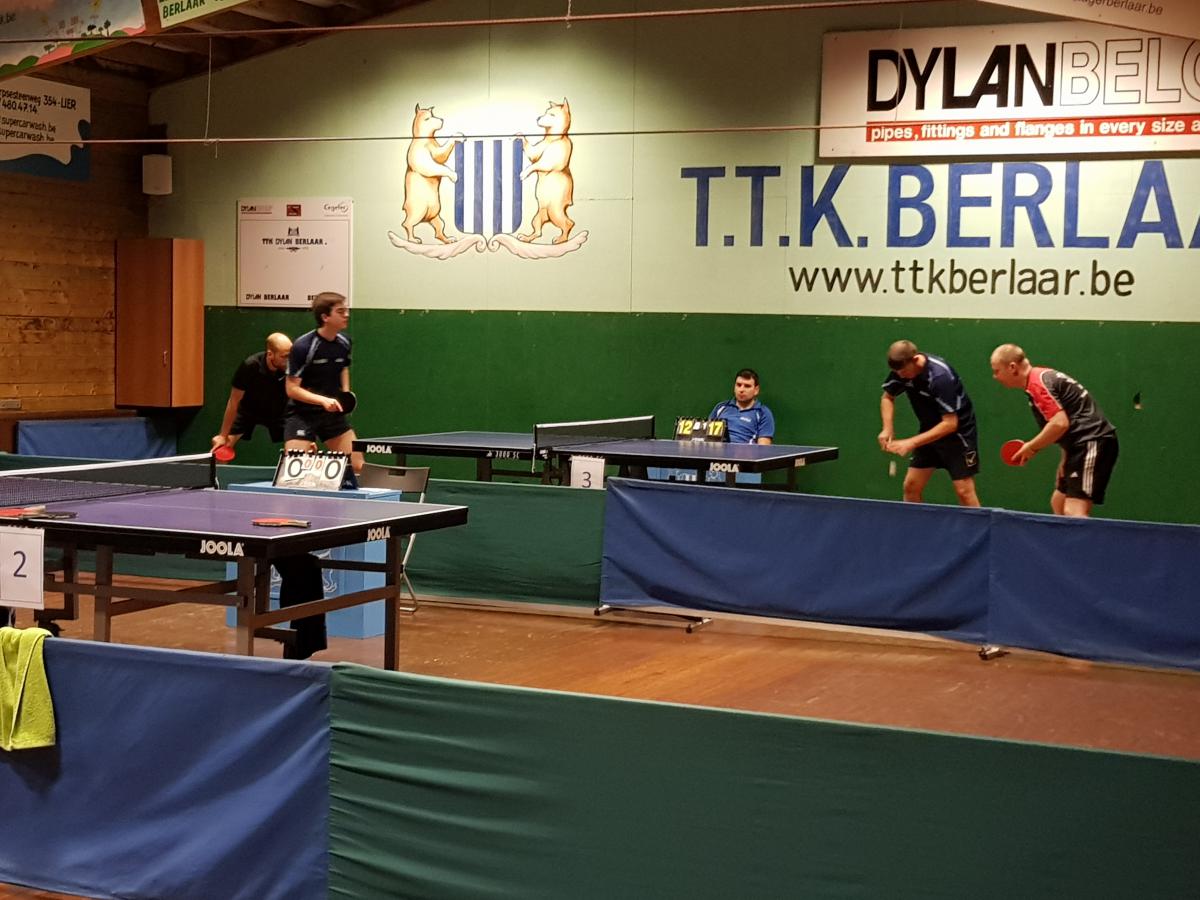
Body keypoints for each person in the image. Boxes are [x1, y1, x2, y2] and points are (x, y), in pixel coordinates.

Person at [990, 343, 1118, 518]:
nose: (995, 377)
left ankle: (1085, 538)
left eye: (997, 371)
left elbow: (1059, 424)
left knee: (1074, 511)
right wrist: (1066, 457)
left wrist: (1031, 447)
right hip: (1079, 445)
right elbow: (1071, 418)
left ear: (1012, 367)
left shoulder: (1038, 384)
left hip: (1092, 441)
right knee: (1058, 502)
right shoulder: (1040, 379)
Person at [879, 340, 981, 507]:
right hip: (930, 430)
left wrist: (911, 442)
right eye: (897, 372)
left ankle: (976, 525)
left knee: (964, 491)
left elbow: (950, 424)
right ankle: (916, 524)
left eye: (903, 371)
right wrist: (887, 428)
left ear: (915, 359)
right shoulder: (901, 370)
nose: (900, 376)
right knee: (911, 487)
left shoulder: (940, 377)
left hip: (958, 434)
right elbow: (887, 397)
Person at [284, 292, 363, 474]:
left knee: (357, 467)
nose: (346, 315)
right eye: (340, 311)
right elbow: (292, 389)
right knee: (294, 471)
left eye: (346, 310)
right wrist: (322, 400)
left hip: (332, 415)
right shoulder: (303, 346)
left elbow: (343, 368)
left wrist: (345, 394)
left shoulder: (344, 342)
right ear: (325, 317)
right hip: (303, 415)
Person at [211, 333, 292, 453]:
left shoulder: (293, 365)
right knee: (221, 448)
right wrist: (223, 435)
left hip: (279, 411)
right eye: (284, 356)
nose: (288, 360)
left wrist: (305, 436)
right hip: (249, 410)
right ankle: (218, 464)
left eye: (290, 355)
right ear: (270, 354)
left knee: (297, 447)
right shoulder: (250, 366)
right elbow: (234, 401)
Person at [709, 369, 775, 444]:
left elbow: (763, 447)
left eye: (747, 386)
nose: (741, 389)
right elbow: (707, 436)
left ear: (756, 390)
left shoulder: (763, 413)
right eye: (738, 385)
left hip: (745, 451)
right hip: (718, 450)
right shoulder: (721, 407)